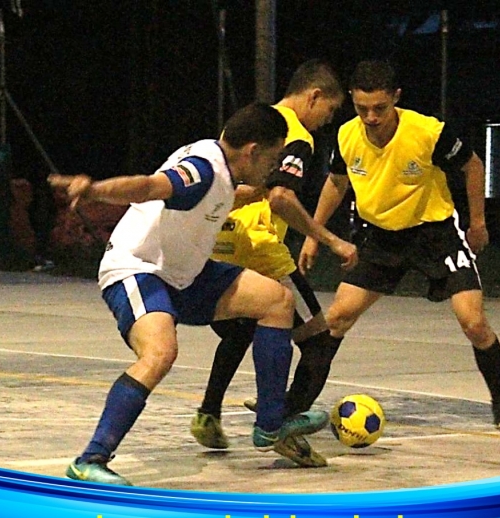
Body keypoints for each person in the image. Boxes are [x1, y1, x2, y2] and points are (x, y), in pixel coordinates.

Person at [48, 102, 330, 486]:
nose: (275, 165)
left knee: (276, 301)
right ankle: (90, 460)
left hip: (187, 274)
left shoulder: (223, 169)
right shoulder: (200, 170)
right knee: (160, 353)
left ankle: (270, 425)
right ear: (252, 151)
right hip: (139, 269)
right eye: (273, 157)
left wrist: (268, 196)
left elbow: (231, 196)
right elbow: (149, 187)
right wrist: (95, 190)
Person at [299, 60, 500, 434]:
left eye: (380, 108)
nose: (371, 117)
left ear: (396, 99)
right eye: (362, 109)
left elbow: (472, 166)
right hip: (379, 237)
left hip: (435, 235)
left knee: (473, 322)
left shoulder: (428, 132)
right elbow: (336, 183)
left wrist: (478, 222)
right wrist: (313, 233)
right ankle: (295, 406)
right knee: (337, 317)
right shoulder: (345, 135)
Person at [190, 60, 357, 467]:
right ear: (314, 96)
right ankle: (281, 425)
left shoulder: (255, 122)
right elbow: (281, 197)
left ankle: (208, 414)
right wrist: (330, 239)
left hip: (220, 239)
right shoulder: (295, 137)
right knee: (319, 338)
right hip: (260, 249)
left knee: (245, 327)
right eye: (329, 112)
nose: (326, 121)